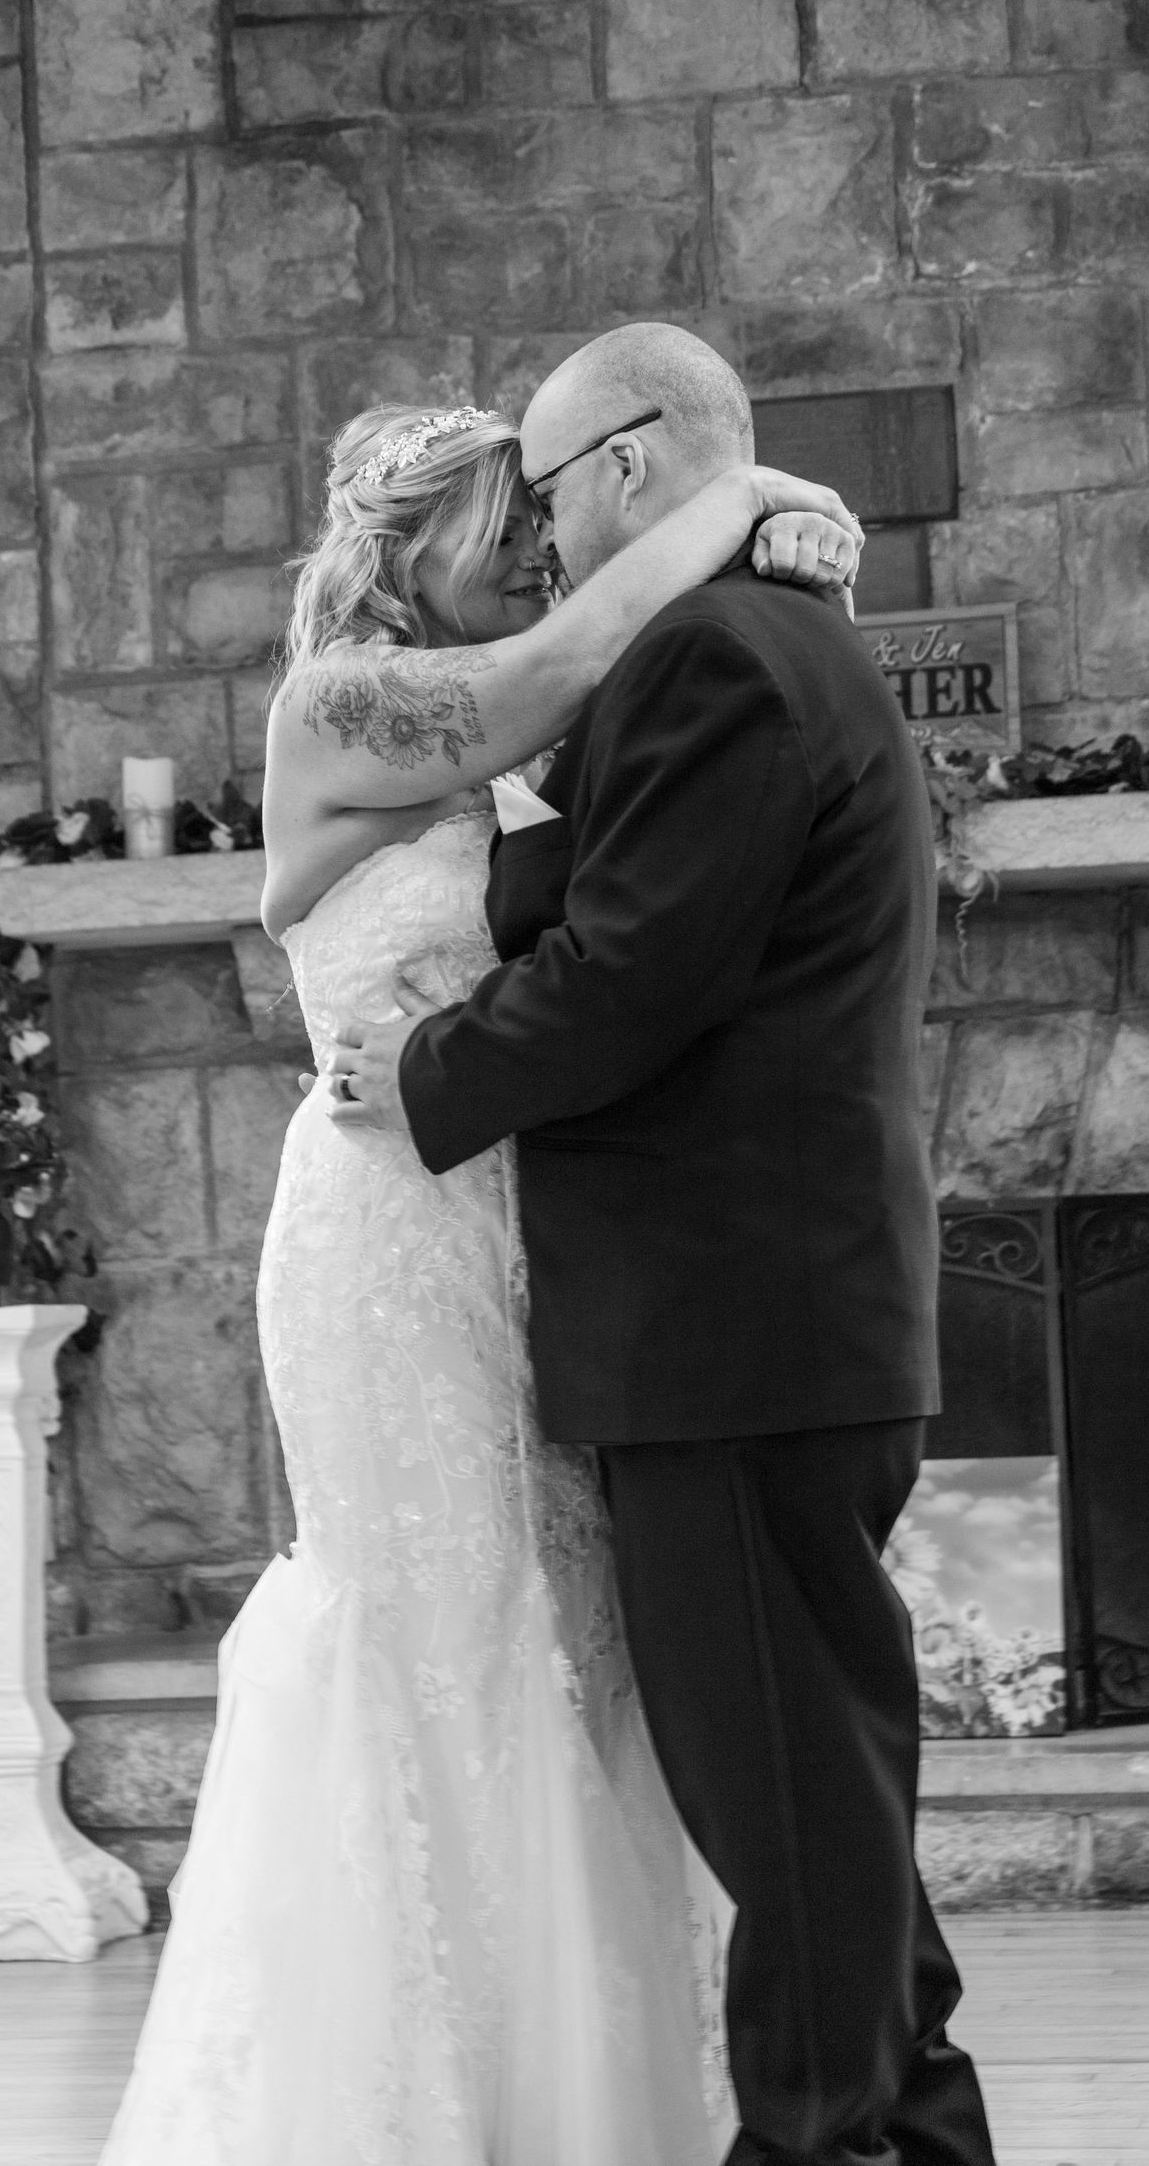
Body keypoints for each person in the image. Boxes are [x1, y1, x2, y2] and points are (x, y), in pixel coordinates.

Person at [97, 392, 862, 2164]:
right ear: (398, 544)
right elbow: (587, 639)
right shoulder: (345, 701)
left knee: (568, 1633)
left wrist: (794, 548)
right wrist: (746, 483)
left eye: (542, 516)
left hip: (530, 1223)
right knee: (434, 1626)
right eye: (497, 524)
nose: (533, 551)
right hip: (381, 1231)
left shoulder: (534, 718)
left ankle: (575, 2099)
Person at [328, 325, 998, 2166]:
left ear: (626, 466)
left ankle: (823, 2149)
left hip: (734, 1329)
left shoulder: (715, 651)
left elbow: (634, 976)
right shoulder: (772, 637)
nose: (543, 542)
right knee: (816, 1801)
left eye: (545, 496)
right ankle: (915, 2141)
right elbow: (633, 905)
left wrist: (425, 1066)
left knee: (783, 1810)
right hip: (773, 1318)